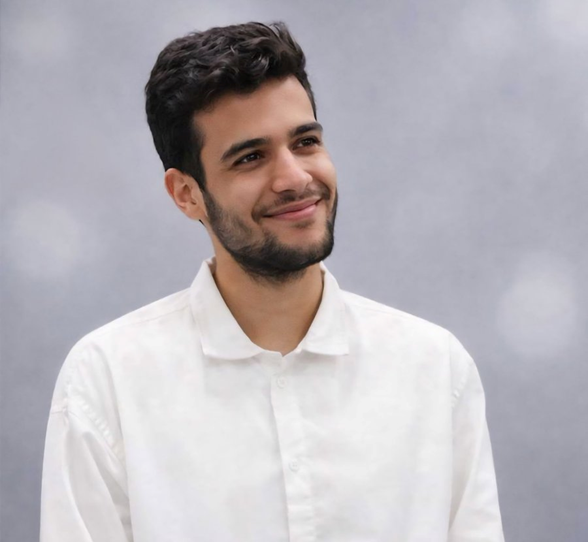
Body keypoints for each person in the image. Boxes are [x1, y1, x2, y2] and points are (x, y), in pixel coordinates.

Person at [40, 21, 504, 542]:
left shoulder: (435, 370)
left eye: (305, 142)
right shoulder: (108, 381)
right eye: (251, 157)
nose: (295, 178)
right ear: (186, 194)